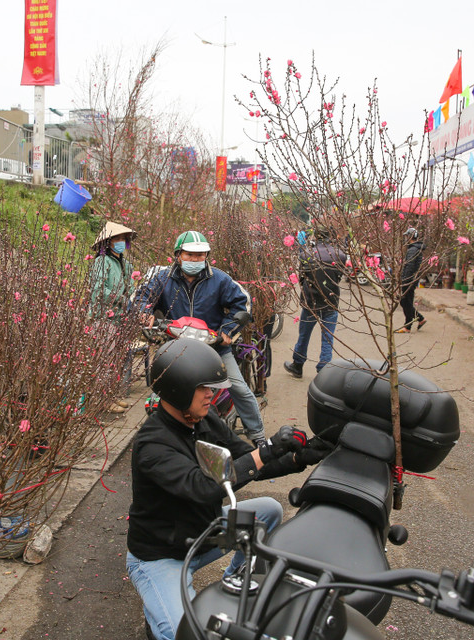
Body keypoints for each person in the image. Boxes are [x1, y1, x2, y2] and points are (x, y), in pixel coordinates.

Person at [126, 339, 330, 640]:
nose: (213, 393)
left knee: (269, 511)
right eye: (204, 388)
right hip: (160, 556)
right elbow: (204, 487)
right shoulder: (152, 445)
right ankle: (158, 610)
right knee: (182, 632)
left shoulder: (202, 419)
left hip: (202, 531)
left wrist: (298, 457)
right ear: (178, 389)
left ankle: (233, 587)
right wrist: (266, 450)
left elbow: (245, 461)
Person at [134, 230, 268, 445]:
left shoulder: (220, 279)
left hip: (214, 348)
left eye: (200, 255)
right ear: (178, 255)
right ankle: (159, 437)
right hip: (177, 347)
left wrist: (228, 330)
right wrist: (144, 311)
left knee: (239, 388)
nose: (195, 260)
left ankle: (259, 436)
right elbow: (142, 296)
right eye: (189, 255)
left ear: (207, 256)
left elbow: (242, 303)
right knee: (161, 391)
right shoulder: (163, 279)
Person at [284, 227, 348, 378]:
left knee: (304, 335)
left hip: (311, 300)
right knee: (328, 337)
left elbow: (302, 276)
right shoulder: (340, 254)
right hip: (331, 300)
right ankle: (324, 370)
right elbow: (339, 276)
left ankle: (298, 365)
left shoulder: (306, 254)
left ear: (316, 237)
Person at [88, 221, 137, 414]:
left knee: (115, 359)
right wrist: (123, 299)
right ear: (107, 242)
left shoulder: (125, 264)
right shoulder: (102, 262)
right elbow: (99, 290)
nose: (121, 242)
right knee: (104, 360)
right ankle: (101, 400)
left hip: (120, 318)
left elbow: (131, 288)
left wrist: (135, 298)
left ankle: (110, 395)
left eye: (123, 239)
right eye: (117, 238)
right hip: (103, 317)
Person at [397, 227, 427, 333]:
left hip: (409, 280)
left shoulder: (413, 250)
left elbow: (409, 267)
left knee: (405, 302)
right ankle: (409, 325)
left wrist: (404, 281)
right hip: (412, 280)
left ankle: (418, 319)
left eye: (406, 236)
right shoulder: (415, 249)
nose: (405, 238)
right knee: (406, 302)